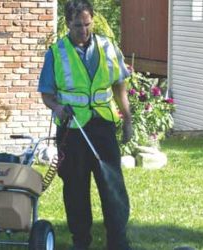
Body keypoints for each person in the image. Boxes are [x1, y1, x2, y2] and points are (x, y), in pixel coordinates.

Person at [37, 0, 133, 249]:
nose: (83, 30)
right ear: (68, 23)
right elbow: (47, 93)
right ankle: (81, 241)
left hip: (102, 128)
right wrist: (58, 108)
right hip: (72, 129)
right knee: (75, 188)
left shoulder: (108, 47)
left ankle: (118, 241)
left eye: (87, 24)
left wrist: (128, 119)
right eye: (78, 25)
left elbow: (119, 84)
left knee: (112, 187)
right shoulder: (56, 53)